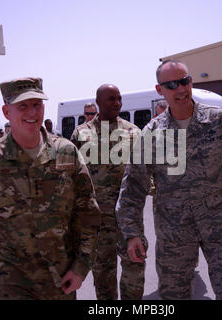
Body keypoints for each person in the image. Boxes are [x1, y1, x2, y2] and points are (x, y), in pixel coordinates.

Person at [116, 60, 222, 300]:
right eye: (171, 85)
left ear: (191, 81)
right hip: (174, 236)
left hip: (221, 227)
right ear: (160, 90)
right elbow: (133, 188)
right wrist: (132, 233)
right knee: (174, 296)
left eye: (184, 81)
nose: (180, 89)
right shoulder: (151, 134)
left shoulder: (219, 120)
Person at [0, 77, 101, 300]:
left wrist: (81, 267)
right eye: (23, 106)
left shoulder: (66, 154)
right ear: (6, 112)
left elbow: (88, 215)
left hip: (60, 282)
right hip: (11, 286)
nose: (32, 112)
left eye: (37, 104)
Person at [70, 84, 145, 300]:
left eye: (119, 98)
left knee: (134, 271)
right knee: (103, 276)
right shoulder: (82, 133)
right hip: (98, 220)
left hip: (129, 219)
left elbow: (145, 171)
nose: (117, 103)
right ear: (98, 102)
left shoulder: (133, 132)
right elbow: (73, 177)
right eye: (111, 99)